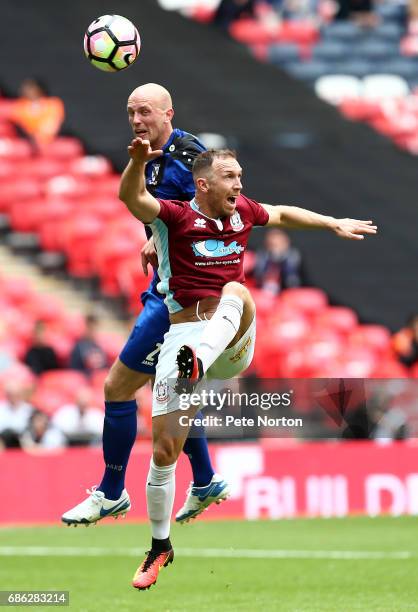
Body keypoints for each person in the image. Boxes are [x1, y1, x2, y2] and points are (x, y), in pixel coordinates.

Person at [118, 140, 377, 589]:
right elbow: (132, 199)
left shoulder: (244, 212)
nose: (240, 183)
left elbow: (281, 213)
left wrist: (331, 222)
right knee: (163, 453)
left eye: (239, 175)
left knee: (237, 291)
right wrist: (138, 163)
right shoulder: (177, 217)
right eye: (230, 177)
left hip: (231, 343)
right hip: (182, 334)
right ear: (202, 184)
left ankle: (197, 362)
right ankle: (160, 546)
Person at [62, 84, 228, 528]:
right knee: (170, 392)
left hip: (179, 299)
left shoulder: (190, 155)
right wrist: (157, 236)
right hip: (169, 289)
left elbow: (223, 213)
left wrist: (161, 237)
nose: (137, 120)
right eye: (131, 112)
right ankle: (207, 478)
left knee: (117, 389)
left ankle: (111, 492)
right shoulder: (147, 158)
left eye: (146, 112)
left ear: (169, 113)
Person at [10, 78, 65, 149]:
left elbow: (52, 125)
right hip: (25, 140)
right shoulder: (20, 105)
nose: (28, 91)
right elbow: (17, 124)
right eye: (27, 88)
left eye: (31, 88)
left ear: (39, 89)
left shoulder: (53, 104)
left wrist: (40, 135)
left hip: (49, 140)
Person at [252, 228, 302, 294]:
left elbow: (292, 281)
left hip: (287, 292)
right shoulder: (261, 256)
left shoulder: (293, 256)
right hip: (263, 293)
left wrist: (281, 259)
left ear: (286, 242)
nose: (274, 246)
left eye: (278, 244)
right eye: (272, 244)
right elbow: (258, 276)